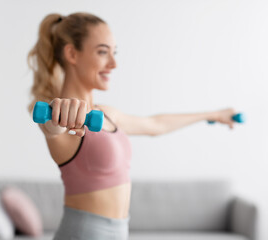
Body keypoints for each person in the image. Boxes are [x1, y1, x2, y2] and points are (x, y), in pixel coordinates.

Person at [27, 12, 237, 240]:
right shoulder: (57, 116)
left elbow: (155, 124)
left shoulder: (106, 113)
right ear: (72, 53)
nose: (114, 63)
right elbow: (52, 130)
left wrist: (214, 114)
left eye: (114, 53)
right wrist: (57, 117)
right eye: (102, 52)